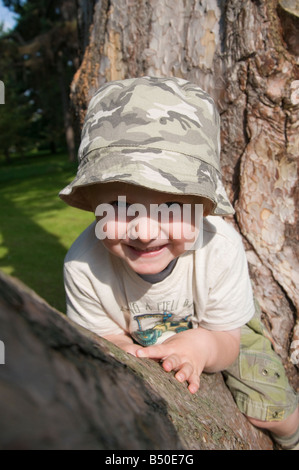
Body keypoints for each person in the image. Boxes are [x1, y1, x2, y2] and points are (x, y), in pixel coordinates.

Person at [59, 76, 298, 449]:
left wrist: (201, 347)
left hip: (218, 327)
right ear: (92, 202)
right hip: (142, 336)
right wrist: (132, 354)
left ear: (203, 208)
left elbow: (228, 339)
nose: (144, 230)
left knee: (270, 412)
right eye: (120, 207)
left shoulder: (219, 246)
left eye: (171, 206)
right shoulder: (83, 266)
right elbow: (103, 337)